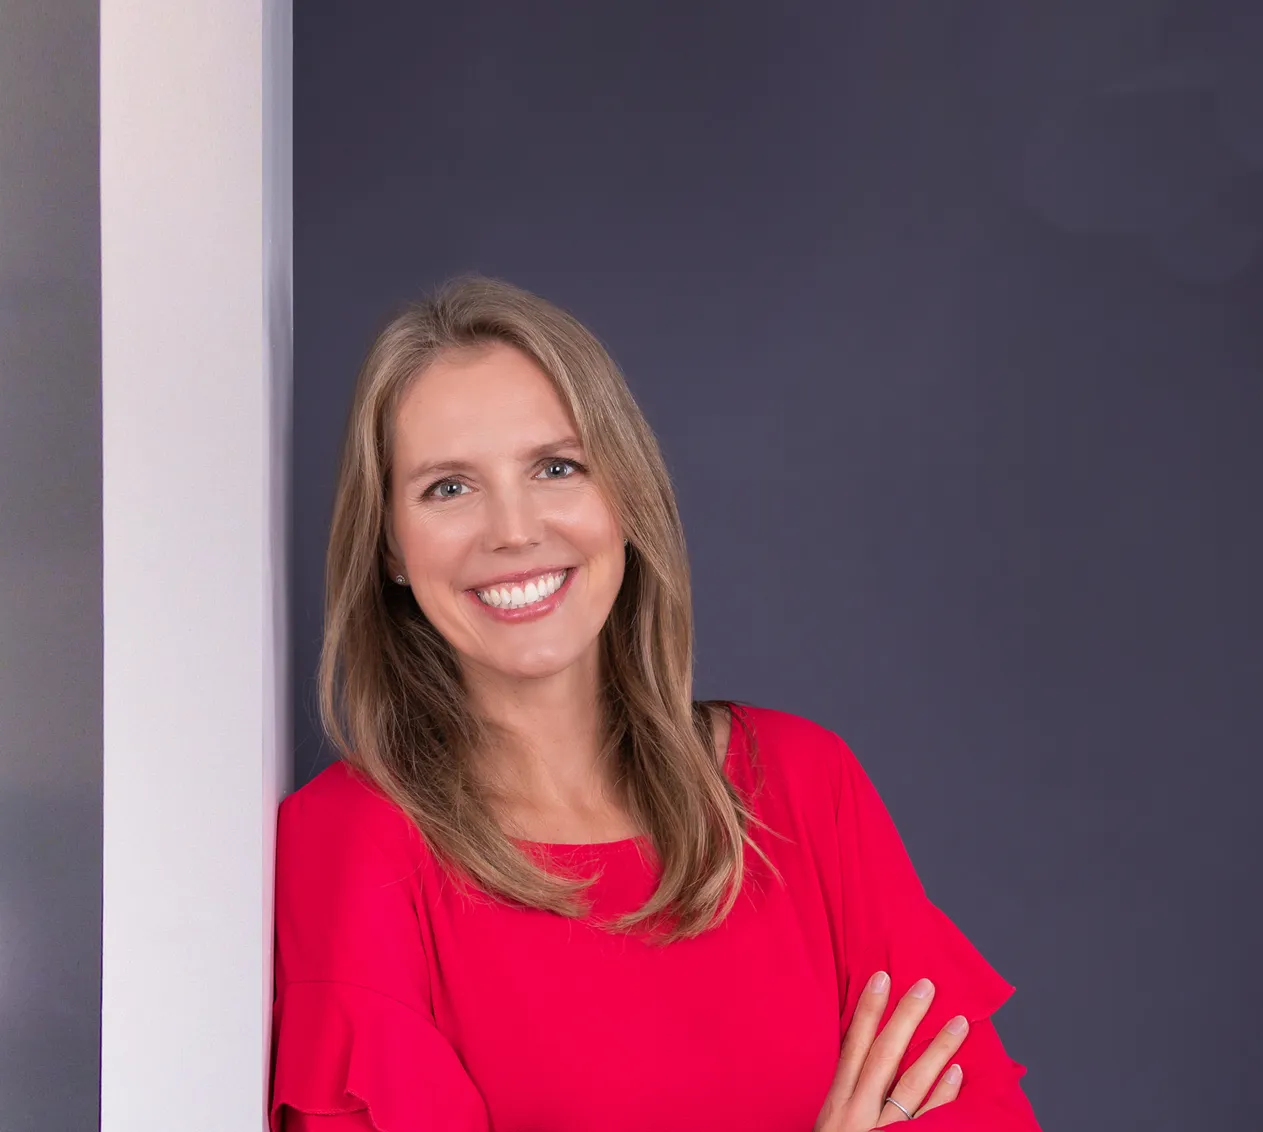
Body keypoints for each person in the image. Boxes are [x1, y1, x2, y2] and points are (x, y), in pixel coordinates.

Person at [269, 276, 1041, 1131]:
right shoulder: (350, 844)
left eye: (556, 467)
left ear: (626, 499)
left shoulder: (802, 786)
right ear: (388, 545)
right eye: (448, 487)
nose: (513, 530)